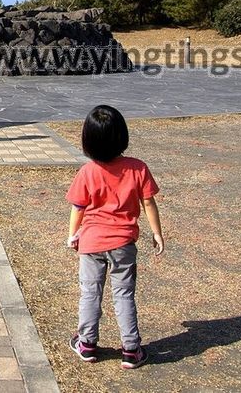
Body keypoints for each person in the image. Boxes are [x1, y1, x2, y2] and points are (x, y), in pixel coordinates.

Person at [66, 104, 164, 370]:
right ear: (122, 136)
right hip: (123, 244)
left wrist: (72, 234)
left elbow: (78, 208)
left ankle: (86, 343)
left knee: (90, 293)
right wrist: (157, 232)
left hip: (91, 243)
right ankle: (131, 349)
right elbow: (149, 203)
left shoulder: (87, 172)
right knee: (124, 294)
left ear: (87, 140)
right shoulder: (137, 168)